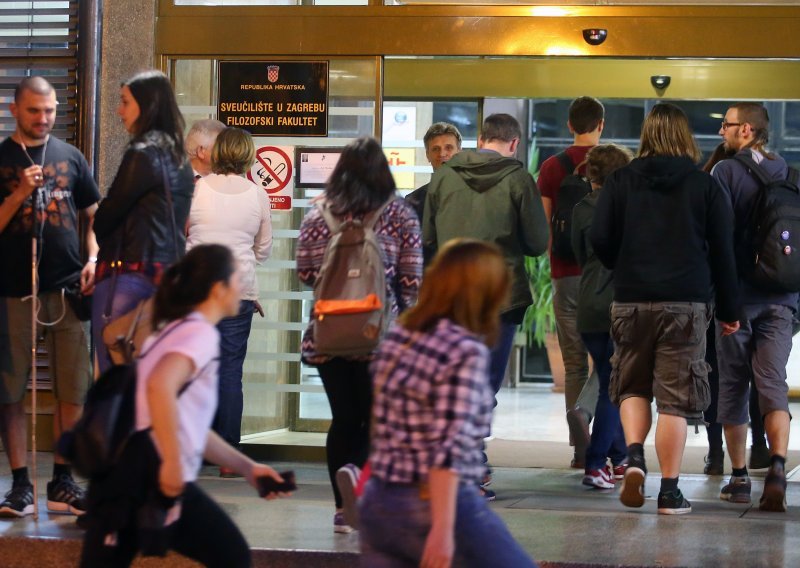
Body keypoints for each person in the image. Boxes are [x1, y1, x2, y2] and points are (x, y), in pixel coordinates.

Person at [80, 244, 289, 567]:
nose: (243, 286)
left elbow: (186, 423)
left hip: (129, 473)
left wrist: (248, 468)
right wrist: (173, 465)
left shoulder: (174, 330)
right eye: (238, 278)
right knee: (232, 556)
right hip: (151, 471)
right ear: (219, 289)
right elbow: (159, 387)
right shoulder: (199, 334)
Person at [591, 103, 740, 515]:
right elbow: (723, 253)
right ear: (685, 136)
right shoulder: (704, 186)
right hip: (686, 303)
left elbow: (599, 239)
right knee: (675, 399)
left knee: (632, 384)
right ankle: (670, 492)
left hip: (631, 298)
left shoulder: (620, 181)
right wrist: (729, 309)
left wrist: (624, 267)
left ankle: (634, 457)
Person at [359, 239, 537, 568]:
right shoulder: (463, 350)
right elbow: (446, 450)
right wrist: (442, 529)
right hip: (433, 504)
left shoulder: (399, 337)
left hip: (379, 501)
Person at [296, 137, 422, 533]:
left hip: (328, 336)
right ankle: (359, 481)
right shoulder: (400, 214)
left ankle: (340, 509)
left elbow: (306, 275)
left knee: (343, 420)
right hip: (380, 338)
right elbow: (411, 281)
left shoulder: (319, 215)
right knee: (376, 422)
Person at [0, 76, 100, 517]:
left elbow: (94, 216)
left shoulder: (70, 157)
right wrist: (20, 191)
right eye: (34, 111)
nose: (44, 119)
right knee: (10, 390)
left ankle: (63, 479)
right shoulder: (2, 158)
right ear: (14, 110)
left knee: (73, 389)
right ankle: (20, 483)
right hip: (13, 292)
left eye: (51, 110)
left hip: (68, 288)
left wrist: (94, 257)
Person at [712, 102, 796, 511]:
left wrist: (721, 300)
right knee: (772, 384)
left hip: (739, 300)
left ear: (745, 130)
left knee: (733, 385)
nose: (721, 134)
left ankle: (740, 477)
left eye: (726, 126)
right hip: (782, 299)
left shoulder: (724, 172)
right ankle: (778, 467)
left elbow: (718, 241)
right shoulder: (790, 174)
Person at [91, 70, 195, 374]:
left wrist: (100, 218)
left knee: (117, 376)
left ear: (146, 104)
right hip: (166, 277)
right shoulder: (179, 157)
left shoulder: (142, 153)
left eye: (125, 101)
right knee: (152, 376)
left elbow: (107, 215)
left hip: (127, 276)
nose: (119, 111)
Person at [186, 127, 272, 477]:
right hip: (239, 293)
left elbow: (181, 235)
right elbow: (263, 251)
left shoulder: (196, 189)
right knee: (230, 371)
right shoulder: (258, 194)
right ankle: (228, 455)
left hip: (197, 292)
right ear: (248, 155)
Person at [537, 96, 604, 468]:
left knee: (575, 362)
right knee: (610, 360)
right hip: (605, 277)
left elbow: (546, 228)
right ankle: (597, 430)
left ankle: (580, 450)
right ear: (601, 124)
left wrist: (556, 263)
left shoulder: (551, 167)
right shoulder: (612, 162)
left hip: (566, 275)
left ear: (569, 125)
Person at [570, 144, 633, 489]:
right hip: (619, 304)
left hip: (587, 306)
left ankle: (620, 457)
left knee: (608, 376)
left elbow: (581, 257)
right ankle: (596, 464)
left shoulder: (581, 209)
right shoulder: (629, 210)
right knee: (614, 388)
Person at [405, 122, 462, 264]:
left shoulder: (474, 194)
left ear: (459, 151)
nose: (442, 154)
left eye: (449, 148)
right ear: (427, 155)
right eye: (435, 149)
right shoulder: (413, 200)